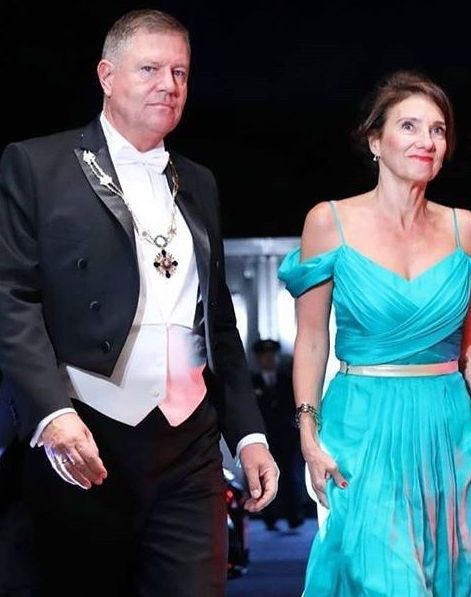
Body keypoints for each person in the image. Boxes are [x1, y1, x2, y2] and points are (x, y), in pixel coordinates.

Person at [0, 9, 278, 597]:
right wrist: (50, 414)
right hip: (85, 432)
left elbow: (217, 324)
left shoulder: (200, 181)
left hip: (190, 445)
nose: (168, 85)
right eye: (149, 69)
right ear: (106, 75)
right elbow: (12, 299)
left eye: (180, 72)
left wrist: (248, 435)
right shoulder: (36, 165)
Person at [278, 70, 471, 595]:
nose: (426, 140)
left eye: (437, 129)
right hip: (361, 428)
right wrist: (308, 437)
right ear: (374, 141)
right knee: (387, 582)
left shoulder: (465, 229)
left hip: (448, 434)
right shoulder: (329, 223)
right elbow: (312, 341)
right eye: (408, 126)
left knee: (445, 579)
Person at [251, 339, 304, 530]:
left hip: (286, 435)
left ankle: (293, 515)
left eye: (271, 355)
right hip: (264, 437)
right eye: (264, 355)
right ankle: (270, 516)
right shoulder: (252, 382)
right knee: (265, 476)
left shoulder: (286, 380)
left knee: (290, 475)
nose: (269, 359)